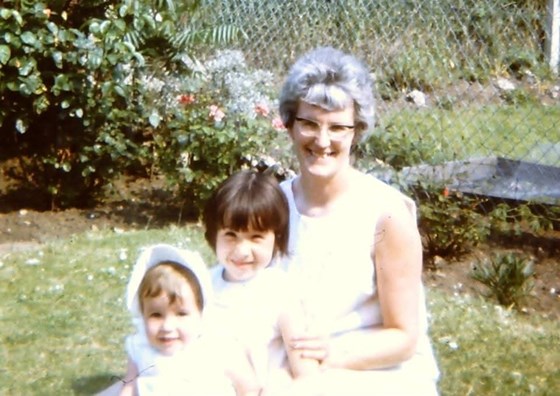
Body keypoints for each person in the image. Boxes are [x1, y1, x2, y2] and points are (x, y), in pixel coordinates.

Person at [272, 46, 440, 395]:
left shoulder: (386, 214)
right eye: (309, 123)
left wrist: (328, 355)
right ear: (289, 124)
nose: (322, 140)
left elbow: (404, 336)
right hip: (295, 360)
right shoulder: (273, 204)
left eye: (337, 127)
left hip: (372, 370)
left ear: (356, 131)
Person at [202, 169, 321, 394]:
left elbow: (306, 373)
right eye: (230, 235)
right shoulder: (202, 286)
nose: (242, 251)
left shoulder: (280, 292)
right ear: (213, 235)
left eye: (256, 237)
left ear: (277, 239)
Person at [100, 243, 260, 396]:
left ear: (201, 314)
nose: (167, 326)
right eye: (156, 315)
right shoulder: (141, 348)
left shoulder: (217, 348)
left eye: (181, 314)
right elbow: (130, 386)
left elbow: (249, 388)